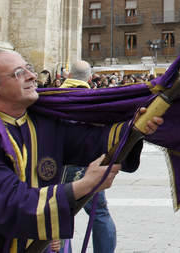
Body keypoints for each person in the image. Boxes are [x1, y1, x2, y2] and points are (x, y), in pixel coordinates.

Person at [0, 49, 162, 252]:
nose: (32, 76)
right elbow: (6, 202)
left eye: (28, 68)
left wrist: (135, 126)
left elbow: (92, 141)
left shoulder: (42, 122)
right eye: (18, 73)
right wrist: (84, 185)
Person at [60, 60, 118, 253]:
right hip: (90, 166)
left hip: (59, 166)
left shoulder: (53, 97)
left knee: (59, 213)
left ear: (68, 76)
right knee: (99, 213)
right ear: (91, 78)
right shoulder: (97, 100)